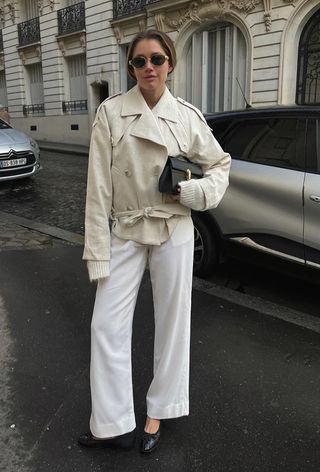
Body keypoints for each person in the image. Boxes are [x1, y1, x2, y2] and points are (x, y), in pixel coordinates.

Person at [79, 29, 231, 454]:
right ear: (130, 67)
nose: (149, 68)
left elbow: (219, 164)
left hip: (174, 229)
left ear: (171, 64)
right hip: (126, 229)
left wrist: (194, 193)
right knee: (105, 326)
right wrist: (97, 251)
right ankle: (110, 423)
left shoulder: (186, 115)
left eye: (157, 59)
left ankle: (157, 412)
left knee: (172, 326)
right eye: (139, 61)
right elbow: (97, 190)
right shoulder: (110, 113)